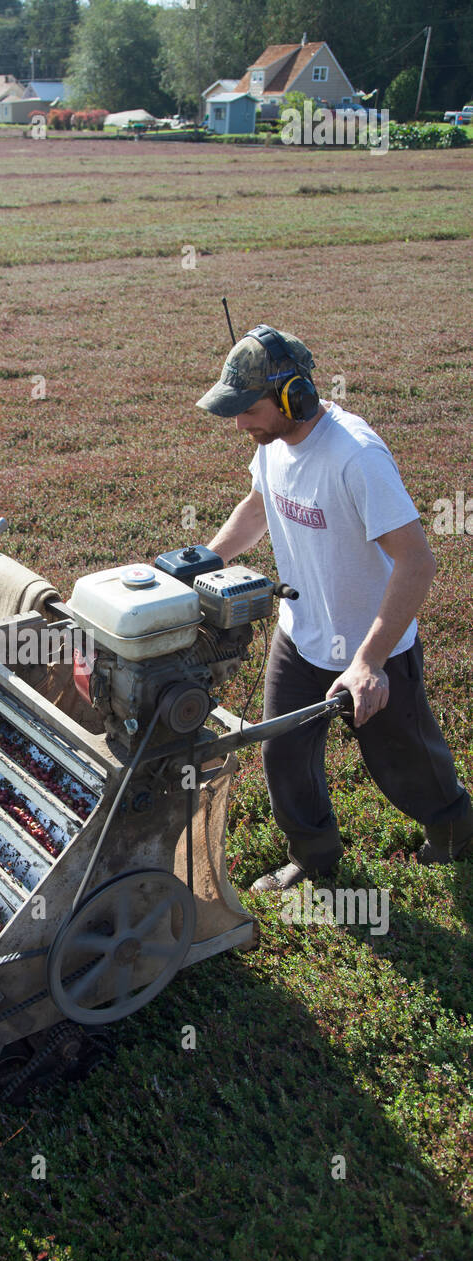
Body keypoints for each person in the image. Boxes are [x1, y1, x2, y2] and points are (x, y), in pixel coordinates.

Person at [195, 324, 473, 891]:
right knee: (284, 756)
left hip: (374, 646)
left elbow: (417, 562)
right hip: (301, 636)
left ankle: (455, 832)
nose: (239, 423)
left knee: (404, 764)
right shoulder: (272, 446)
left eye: (247, 409)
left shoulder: (356, 456)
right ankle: (315, 857)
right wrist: (204, 560)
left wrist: (369, 662)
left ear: (293, 395)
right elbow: (258, 504)